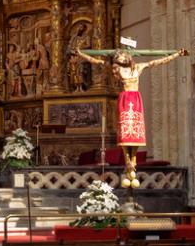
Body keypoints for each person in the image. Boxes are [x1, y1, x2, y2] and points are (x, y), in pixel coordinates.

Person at [76, 47, 188, 188]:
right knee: (125, 130)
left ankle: (133, 158)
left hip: (135, 99)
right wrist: (81, 54)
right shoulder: (117, 69)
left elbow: (158, 61)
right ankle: (128, 158)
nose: (120, 58)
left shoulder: (139, 67)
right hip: (125, 98)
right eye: (118, 57)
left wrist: (176, 54)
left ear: (128, 57)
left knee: (135, 129)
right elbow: (97, 61)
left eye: (122, 56)